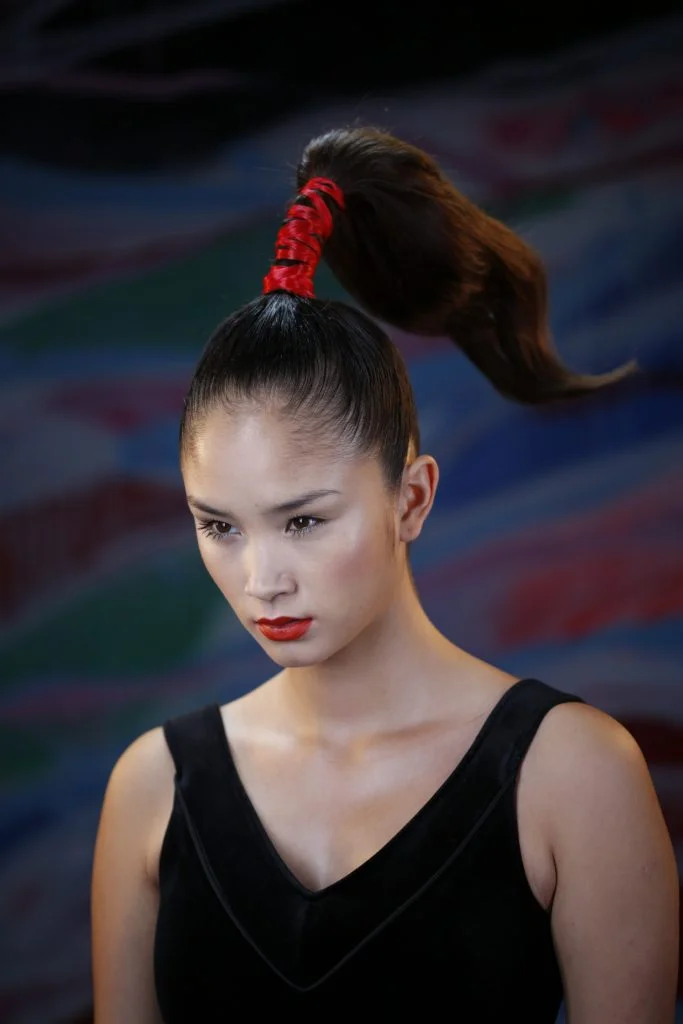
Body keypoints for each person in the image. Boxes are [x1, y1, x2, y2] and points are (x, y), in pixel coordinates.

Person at [90, 127, 679, 1022]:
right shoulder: (152, 787)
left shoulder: (574, 776)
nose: (261, 580)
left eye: (304, 521)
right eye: (218, 525)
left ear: (412, 498)